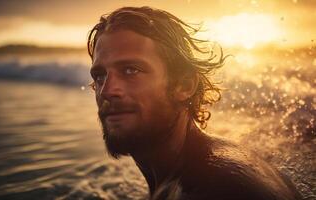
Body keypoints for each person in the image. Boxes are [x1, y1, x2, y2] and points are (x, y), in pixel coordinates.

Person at [87, 6, 301, 200]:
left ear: (184, 85)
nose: (107, 90)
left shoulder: (218, 189)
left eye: (131, 70)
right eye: (99, 76)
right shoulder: (183, 174)